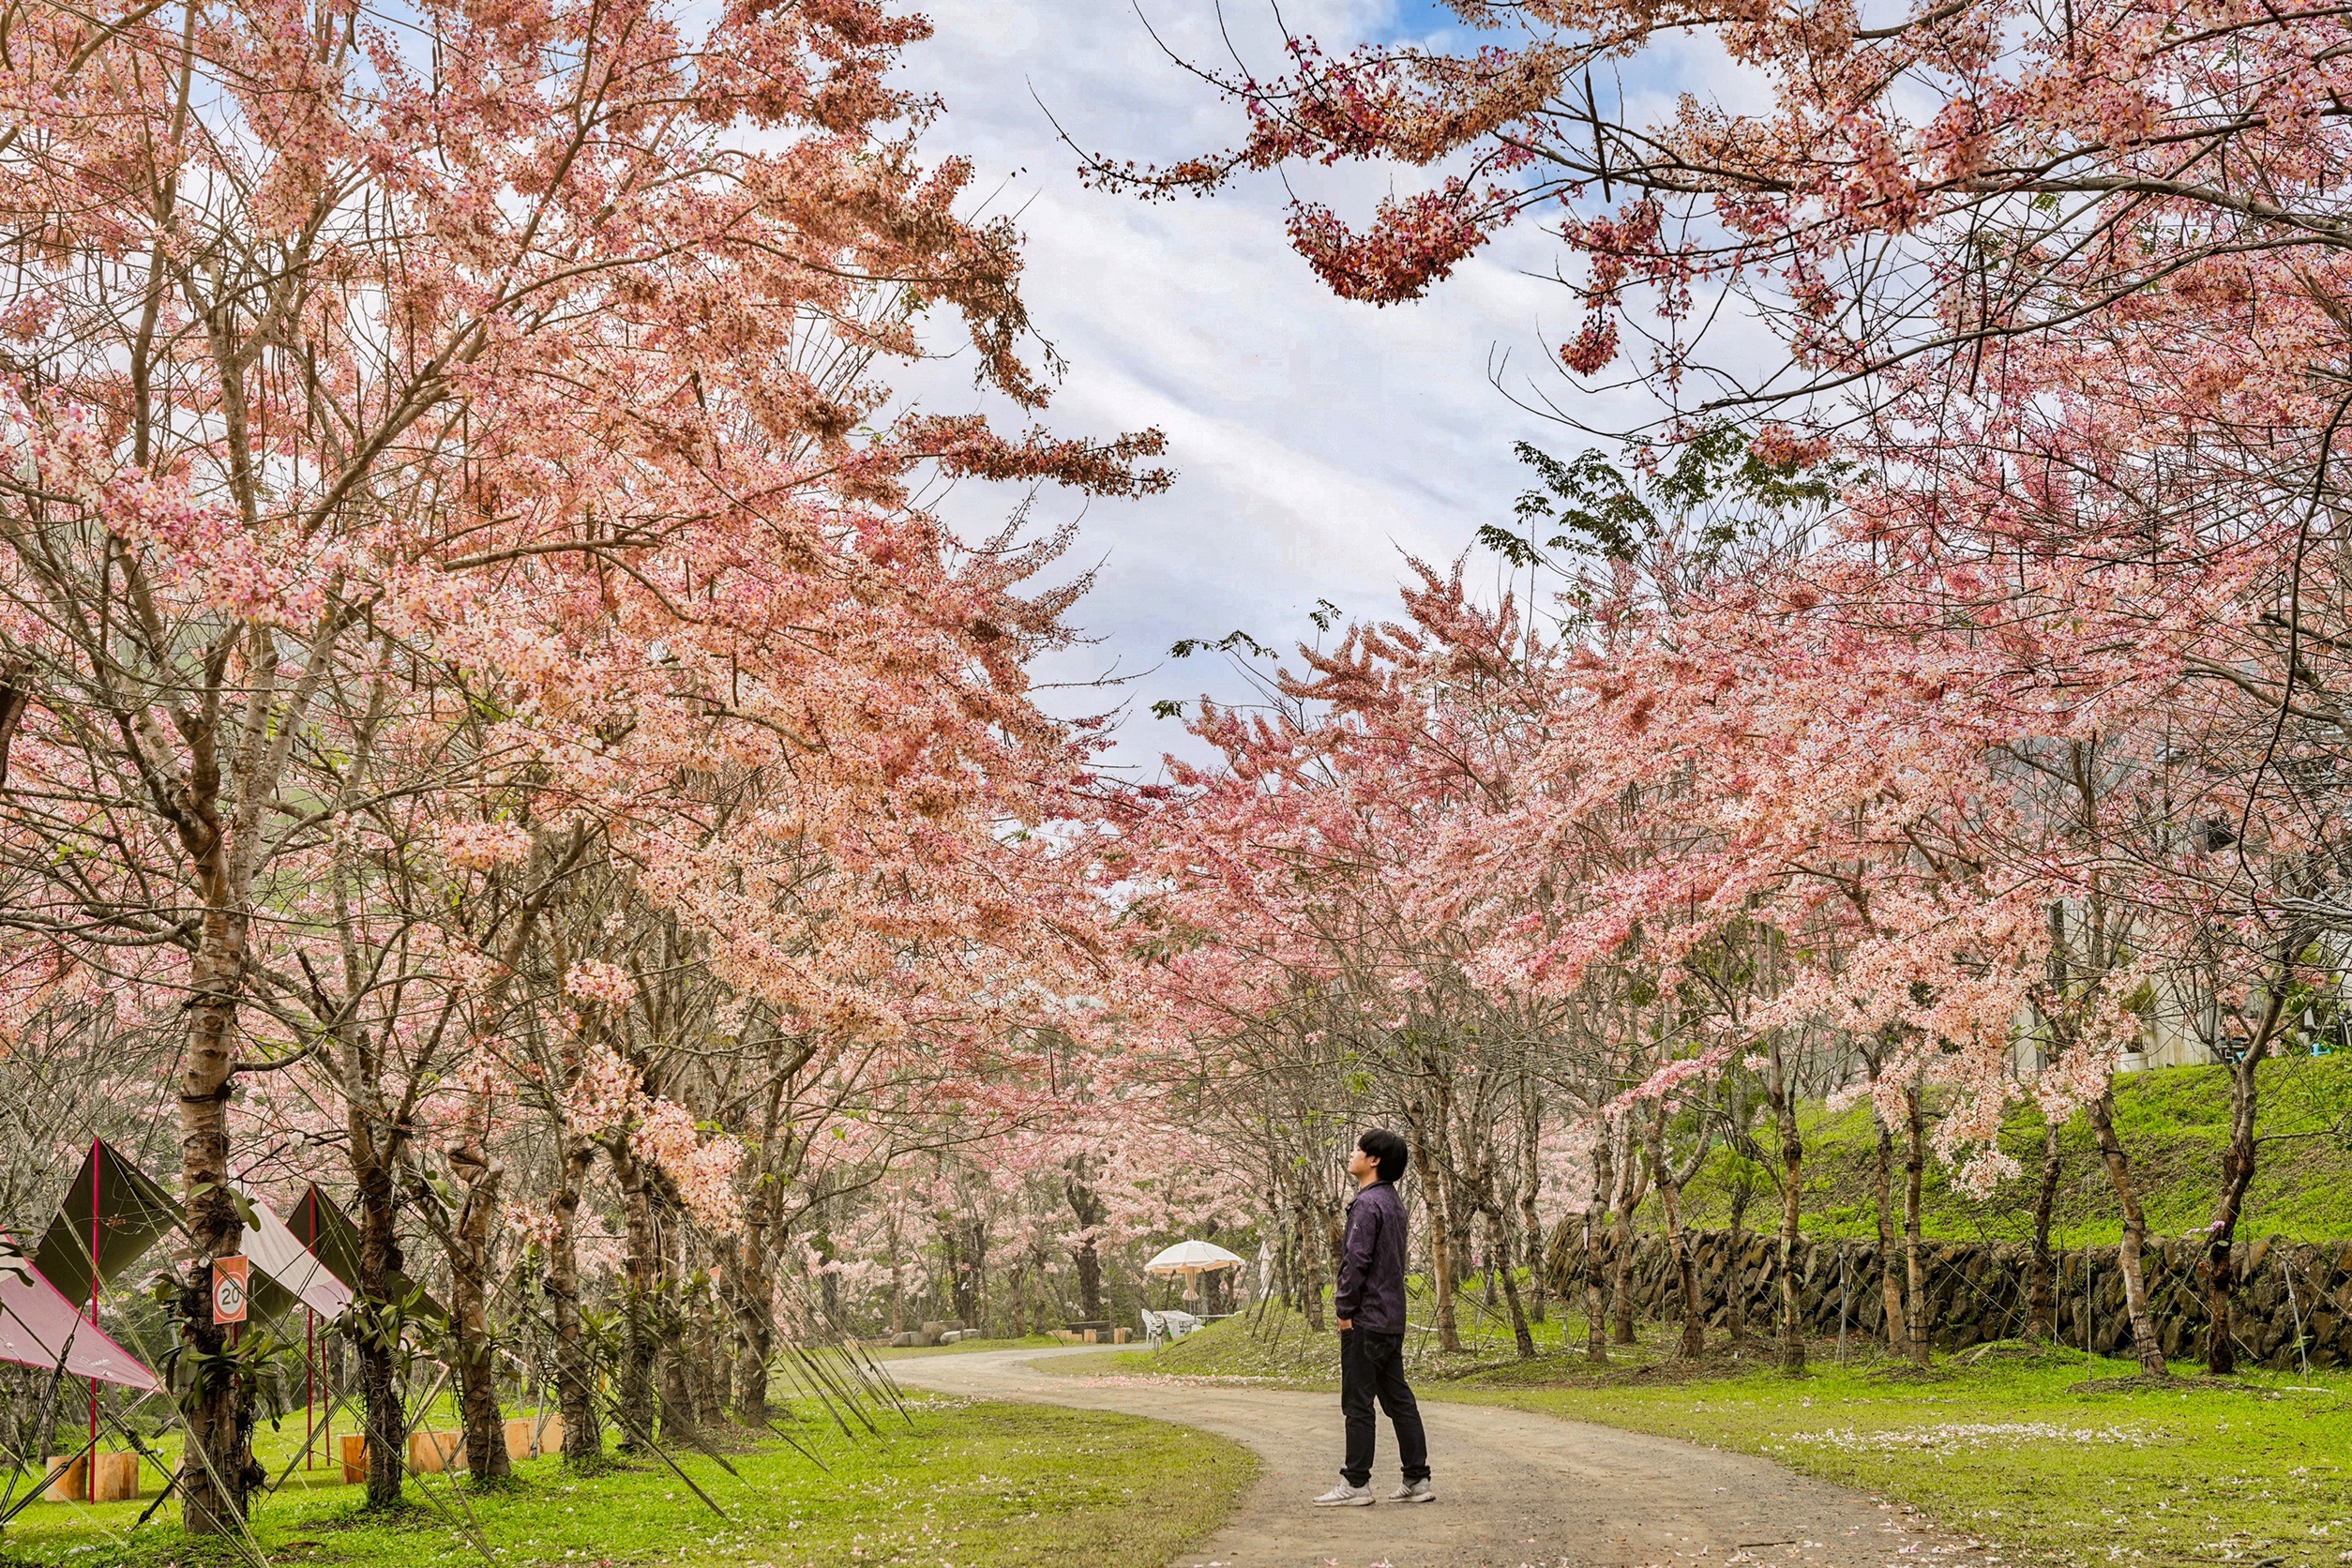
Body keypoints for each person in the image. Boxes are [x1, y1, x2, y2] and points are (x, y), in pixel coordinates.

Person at [1312, 1128, 1433, 1507]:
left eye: (1357, 1150)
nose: (1353, 1155)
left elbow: (1356, 1261)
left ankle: (1356, 1483)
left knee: (1357, 1402)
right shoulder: (1393, 1202)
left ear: (1374, 1160)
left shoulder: (1366, 1205)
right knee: (1399, 1400)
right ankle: (1417, 1479)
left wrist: (1344, 1308)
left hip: (1366, 1318)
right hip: (1391, 1316)